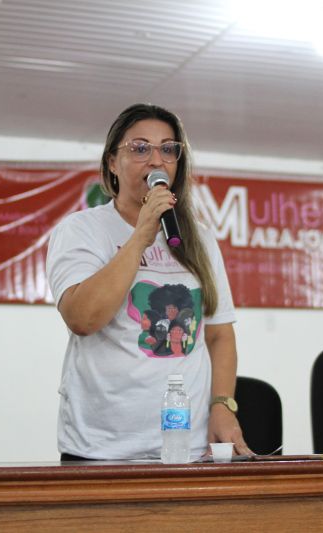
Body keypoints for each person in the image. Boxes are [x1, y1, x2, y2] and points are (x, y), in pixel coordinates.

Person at [46, 103, 251, 460]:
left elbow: (219, 333)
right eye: (140, 148)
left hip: (187, 447)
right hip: (102, 449)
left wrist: (223, 404)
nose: (156, 160)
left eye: (168, 149)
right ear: (112, 162)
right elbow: (83, 318)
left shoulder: (198, 238)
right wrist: (142, 233)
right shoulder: (81, 230)